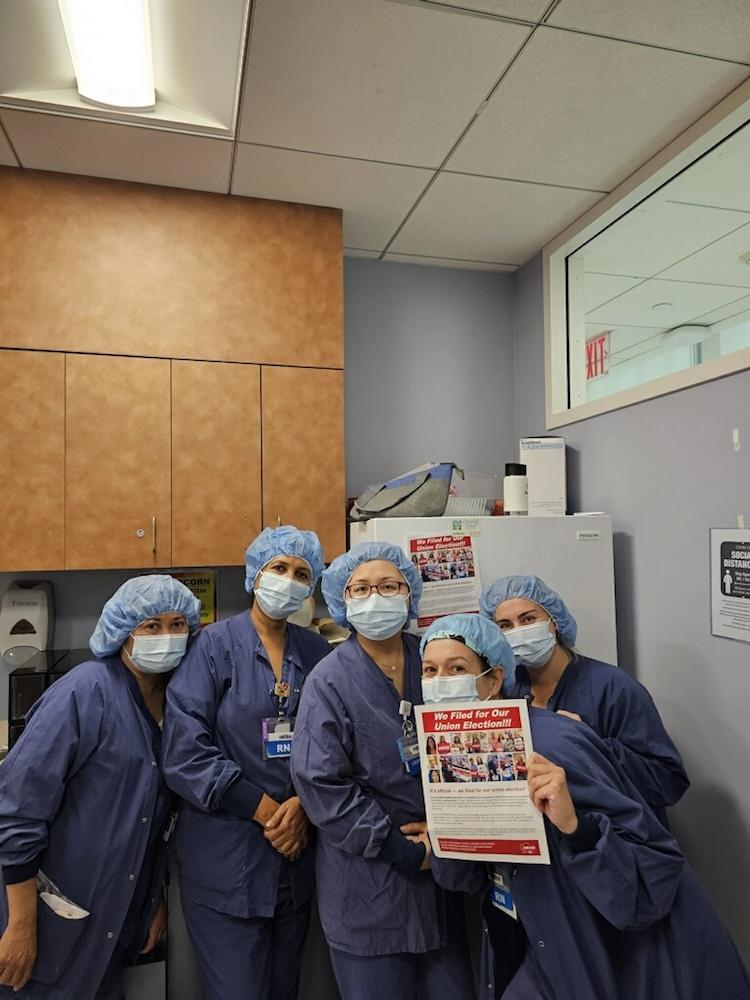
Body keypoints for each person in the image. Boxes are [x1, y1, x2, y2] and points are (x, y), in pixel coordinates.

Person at [414, 614, 750, 1000]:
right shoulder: (447, 752)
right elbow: (463, 878)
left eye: (456, 668)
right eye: (429, 670)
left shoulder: (556, 743)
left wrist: (576, 825)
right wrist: (445, 828)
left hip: (626, 944)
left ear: (493, 680)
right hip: (540, 932)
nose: (440, 682)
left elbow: (651, 877)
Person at [0, 575, 200, 1000]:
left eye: (178, 624)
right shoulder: (84, 692)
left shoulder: (177, 706)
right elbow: (17, 812)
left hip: (116, 917)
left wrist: (152, 904)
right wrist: (20, 926)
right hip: (46, 910)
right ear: (123, 631)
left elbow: (153, 822)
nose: (166, 636)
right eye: (150, 626)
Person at [290, 541, 474, 1000]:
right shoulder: (330, 680)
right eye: (362, 588)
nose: (377, 597)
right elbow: (322, 784)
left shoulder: (433, 659)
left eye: (389, 586)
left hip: (448, 876)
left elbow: (478, 734)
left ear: (409, 594)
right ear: (344, 600)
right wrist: (404, 850)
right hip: (370, 888)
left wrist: (454, 832)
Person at [161, 526, 330, 1000]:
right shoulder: (211, 648)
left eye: (301, 573)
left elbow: (333, 744)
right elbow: (184, 752)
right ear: (256, 574)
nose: (288, 581)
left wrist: (302, 804)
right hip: (228, 860)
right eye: (278, 569)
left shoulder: (316, 652)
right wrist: (265, 810)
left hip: (295, 855)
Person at [481, 575, 688, 824]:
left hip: (616, 838)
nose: (519, 631)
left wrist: (593, 744)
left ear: (553, 622)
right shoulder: (510, 691)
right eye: (505, 626)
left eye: (528, 619)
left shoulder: (613, 688)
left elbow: (668, 781)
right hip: (551, 840)